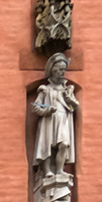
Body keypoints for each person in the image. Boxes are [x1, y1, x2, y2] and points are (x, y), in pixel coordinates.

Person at [32, 53, 78, 183]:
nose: (62, 72)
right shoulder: (45, 89)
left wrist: (70, 100)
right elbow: (35, 108)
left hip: (63, 119)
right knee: (46, 145)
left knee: (64, 144)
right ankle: (47, 171)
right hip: (49, 120)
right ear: (53, 70)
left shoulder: (67, 89)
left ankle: (59, 170)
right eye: (60, 69)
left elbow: (76, 106)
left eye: (64, 69)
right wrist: (47, 111)